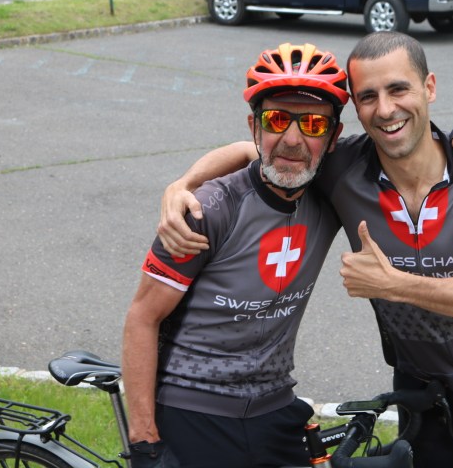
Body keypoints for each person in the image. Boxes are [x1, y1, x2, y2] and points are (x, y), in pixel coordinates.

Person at [158, 32, 453, 468]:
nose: (384, 109)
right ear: (356, 107)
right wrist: (183, 184)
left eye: (398, 89)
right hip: (421, 388)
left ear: (430, 87)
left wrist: (393, 284)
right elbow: (252, 150)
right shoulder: (342, 167)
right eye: (368, 96)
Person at [122, 42, 349, 468]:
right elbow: (142, 318)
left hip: (274, 406)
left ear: (333, 137)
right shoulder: (205, 211)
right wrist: (145, 441)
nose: (293, 139)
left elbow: (408, 152)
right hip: (194, 408)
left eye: (314, 123)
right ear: (254, 128)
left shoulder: (332, 193)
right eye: (277, 120)